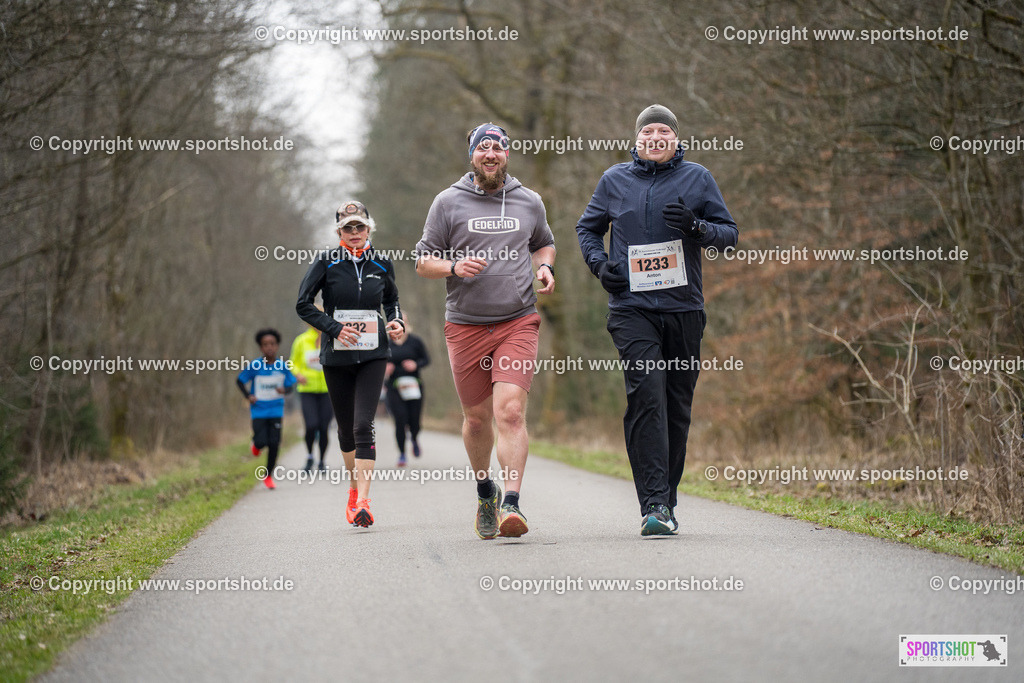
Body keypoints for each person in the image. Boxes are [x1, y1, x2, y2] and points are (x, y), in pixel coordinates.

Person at [576, 104, 739, 536]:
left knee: (676, 406)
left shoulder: (698, 178)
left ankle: (666, 499)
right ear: (636, 140)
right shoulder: (614, 180)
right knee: (647, 396)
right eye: (647, 132)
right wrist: (599, 265)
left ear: (675, 140)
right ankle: (653, 504)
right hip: (631, 308)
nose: (655, 138)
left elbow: (729, 235)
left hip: (684, 309)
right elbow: (587, 229)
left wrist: (696, 227)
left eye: (663, 132)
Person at [415, 122, 555, 539]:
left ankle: (512, 503)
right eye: (483, 148)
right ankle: (485, 492)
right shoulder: (447, 202)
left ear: (506, 155)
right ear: (472, 154)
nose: (490, 154)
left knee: (509, 411)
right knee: (477, 421)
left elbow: (543, 243)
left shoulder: (529, 201)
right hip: (465, 325)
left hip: (517, 320)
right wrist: (453, 266)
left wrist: (544, 266)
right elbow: (423, 261)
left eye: (498, 148)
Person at [296, 201, 404, 528]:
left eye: (360, 227)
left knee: (362, 426)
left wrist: (396, 321)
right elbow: (303, 304)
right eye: (348, 228)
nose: (354, 233)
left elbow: (391, 301)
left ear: (369, 228)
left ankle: (365, 502)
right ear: (339, 232)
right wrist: (334, 328)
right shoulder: (326, 262)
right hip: (337, 356)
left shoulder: (382, 263)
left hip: (374, 355)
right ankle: (353, 489)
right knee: (345, 430)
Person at [236, 328, 299, 490]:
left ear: (277, 346)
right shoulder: (255, 365)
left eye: (272, 344)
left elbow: (291, 387)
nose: (269, 347)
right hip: (258, 410)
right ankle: (255, 445)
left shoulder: (282, 366)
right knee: (261, 441)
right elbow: (240, 380)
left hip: (276, 410)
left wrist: (284, 391)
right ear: (260, 347)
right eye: (265, 344)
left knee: (274, 443)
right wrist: (248, 396)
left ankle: (268, 476)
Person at [383, 314, 430, 467]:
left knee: (415, 421)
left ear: (407, 323)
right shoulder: (386, 343)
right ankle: (402, 454)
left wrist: (415, 364)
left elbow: (426, 359)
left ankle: (414, 438)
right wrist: (385, 368)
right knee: (400, 419)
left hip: (414, 386)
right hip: (394, 387)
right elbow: (377, 363)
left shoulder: (415, 341)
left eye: (402, 322)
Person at [289, 312, 333, 473]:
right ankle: (309, 456)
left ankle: (321, 460)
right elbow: (292, 363)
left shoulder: (331, 339)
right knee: (311, 425)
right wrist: (298, 374)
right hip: (307, 389)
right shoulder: (301, 341)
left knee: (323, 427)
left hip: (328, 390)